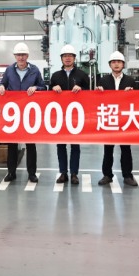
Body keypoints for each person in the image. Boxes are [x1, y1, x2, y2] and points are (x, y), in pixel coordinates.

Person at [0, 42, 45, 183]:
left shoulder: (35, 70)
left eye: (23, 55)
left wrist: (36, 88)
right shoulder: (9, 70)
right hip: (13, 113)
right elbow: (3, 83)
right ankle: (11, 172)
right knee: (12, 144)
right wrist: (1, 86)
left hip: (29, 113)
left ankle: (32, 173)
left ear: (27, 56)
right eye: (18, 55)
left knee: (30, 144)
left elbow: (43, 87)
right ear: (15, 56)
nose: (21, 57)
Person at [50, 44, 90, 185]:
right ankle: (63, 173)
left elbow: (90, 93)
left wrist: (82, 89)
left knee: (75, 146)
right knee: (60, 146)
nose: (67, 58)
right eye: (65, 56)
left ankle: (74, 173)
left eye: (70, 56)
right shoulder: (55, 76)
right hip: (60, 116)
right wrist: (53, 88)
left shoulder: (82, 75)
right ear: (61, 58)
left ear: (74, 58)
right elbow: (47, 95)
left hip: (75, 116)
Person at [96, 51, 136, 187]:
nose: (116, 64)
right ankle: (107, 175)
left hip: (125, 119)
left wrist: (132, 93)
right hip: (110, 118)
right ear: (110, 65)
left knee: (126, 149)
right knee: (108, 149)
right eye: (114, 62)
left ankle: (127, 175)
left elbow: (138, 100)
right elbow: (98, 100)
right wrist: (98, 92)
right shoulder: (103, 81)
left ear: (123, 64)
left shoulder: (130, 81)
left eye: (119, 62)